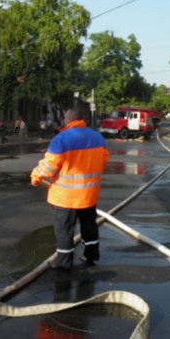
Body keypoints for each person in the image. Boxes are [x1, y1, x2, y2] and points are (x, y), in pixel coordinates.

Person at [30, 108, 109, 273]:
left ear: (69, 119)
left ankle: (64, 263)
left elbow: (49, 166)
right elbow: (103, 160)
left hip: (65, 198)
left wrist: (35, 176)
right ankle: (91, 255)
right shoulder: (97, 137)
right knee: (89, 226)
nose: (64, 120)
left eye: (65, 117)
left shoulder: (62, 139)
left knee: (64, 230)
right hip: (88, 195)